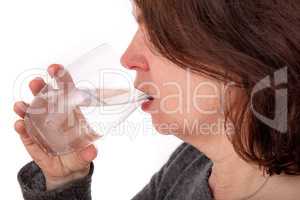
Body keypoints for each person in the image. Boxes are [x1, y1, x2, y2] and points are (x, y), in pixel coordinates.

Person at [13, 0, 300, 199]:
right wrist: (64, 182)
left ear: (241, 46)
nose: (128, 58)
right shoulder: (192, 163)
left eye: (157, 32)